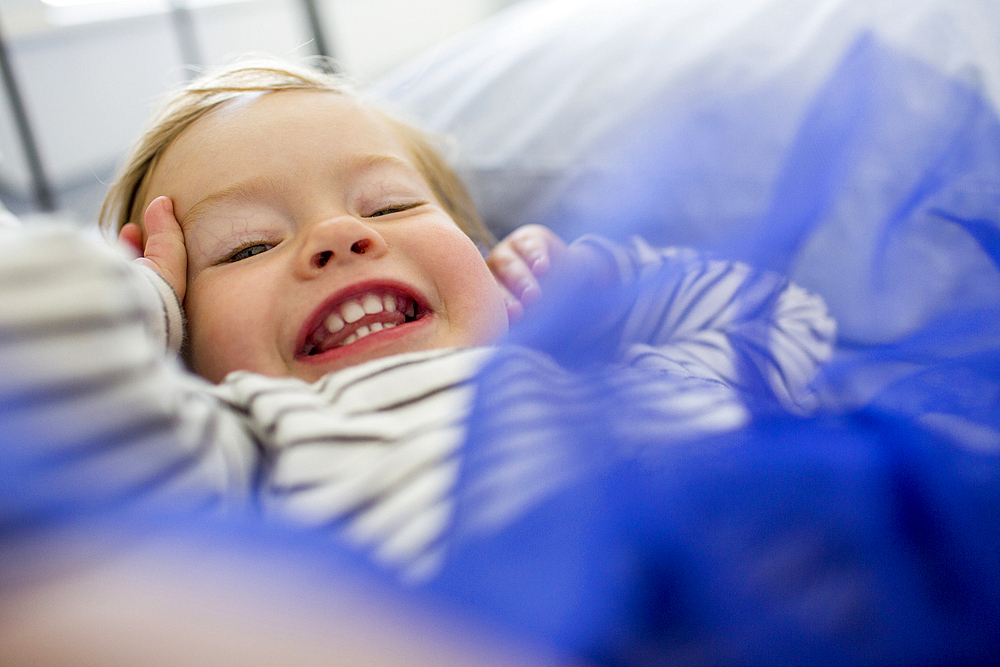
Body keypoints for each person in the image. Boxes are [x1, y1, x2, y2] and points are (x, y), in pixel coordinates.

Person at [2, 57, 833, 584]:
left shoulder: (604, 364)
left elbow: (787, 321)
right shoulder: (239, 446)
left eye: (390, 203)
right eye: (246, 246)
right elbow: (32, 358)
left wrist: (598, 289)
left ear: (485, 255)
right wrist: (145, 308)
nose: (336, 235)